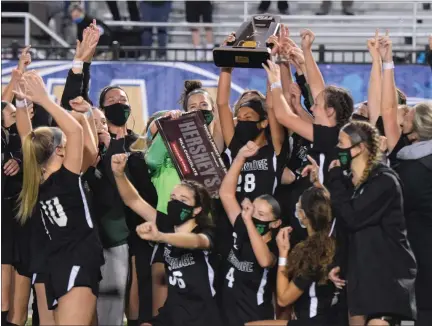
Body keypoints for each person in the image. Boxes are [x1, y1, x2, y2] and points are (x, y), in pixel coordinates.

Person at [14, 70, 104, 325]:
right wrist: (43, 100)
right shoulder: (66, 177)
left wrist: (22, 102)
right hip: (76, 258)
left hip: (54, 261)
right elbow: (75, 132)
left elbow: (26, 136)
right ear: (61, 150)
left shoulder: (37, 180)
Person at [316, 121, 417, 326]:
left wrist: (334, 178)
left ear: (359, 148)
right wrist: (339, 263)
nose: (337, 149)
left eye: (341, 143)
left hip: (386, 280)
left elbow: (353, 217)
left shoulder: (384, 181)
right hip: (360, 278)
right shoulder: (351, 185)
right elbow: (346, 227)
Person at [111, 153, 222, 326]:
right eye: (173, 198)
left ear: (197, 210)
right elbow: (133, 201)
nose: (175, 203)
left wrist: (162, 237)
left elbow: (197, 241)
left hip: (203, 317)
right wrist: (119, 174)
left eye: (183, 200)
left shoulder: (208, 231)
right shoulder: (166, 224)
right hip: (173, 314)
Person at [378, 32, 432, 326]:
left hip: (416, 257)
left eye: (407, 114)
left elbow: (386, 110)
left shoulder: (406, 164)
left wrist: (387, 62)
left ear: (413, 129)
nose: (401, 114)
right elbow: (388, 109)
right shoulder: (412, 157)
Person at [249, 186, 338, 326]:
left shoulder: (314, 253)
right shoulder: (332, 241)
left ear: (304, 215)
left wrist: (283, 253)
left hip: (313, 321)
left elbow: (283, 299)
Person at [219, 141, 282, 326]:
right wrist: (240, 157)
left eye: (260, 215)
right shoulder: (242, 225)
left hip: (253, 318)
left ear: (275, 223)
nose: (253, 216)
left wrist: (247, 220)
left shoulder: (276, 245)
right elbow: (226, 194)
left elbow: (264, 260)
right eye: (252, 210)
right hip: (227, 316)